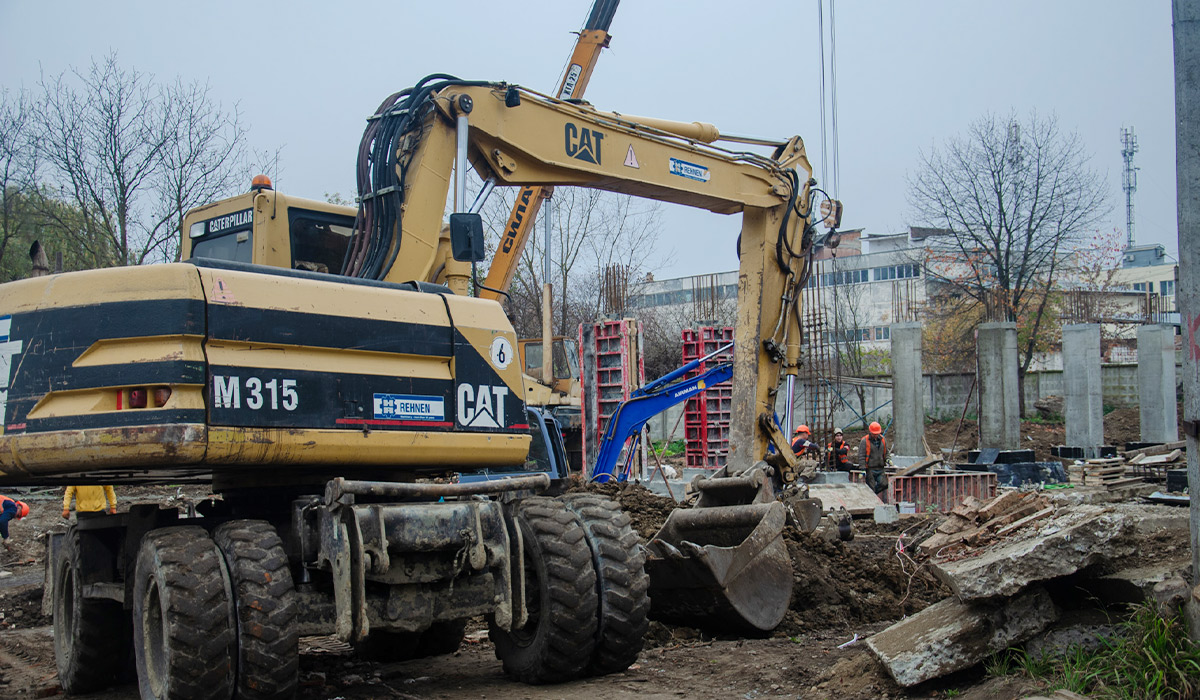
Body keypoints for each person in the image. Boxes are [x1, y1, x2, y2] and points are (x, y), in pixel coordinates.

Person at [858, 422, 889, 501]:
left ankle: (873, 494)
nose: (876, 435)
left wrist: (888, 459)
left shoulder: (883, 440)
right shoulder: (865, 441)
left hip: (880, 468)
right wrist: (863, 469)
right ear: (870, 432)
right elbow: (861, 456)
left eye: (877, 434)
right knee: (871, 487)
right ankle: (872, 501)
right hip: (870, 469)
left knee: (884, 484)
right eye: (874, 434)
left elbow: (887, 452)